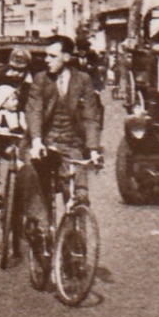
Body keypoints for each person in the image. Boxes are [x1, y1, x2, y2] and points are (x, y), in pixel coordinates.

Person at [21, 36, 103, 243]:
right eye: (46, 55)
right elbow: (34, 109)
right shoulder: (40, 79)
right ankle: (39, 229)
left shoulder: (83, 80)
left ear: (66, 57)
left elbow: (90, 116)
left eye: (52, 56)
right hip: (45, 143)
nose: (47, 60)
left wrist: (93, 149)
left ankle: (77, 245)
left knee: (78, 194)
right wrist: (37, 140)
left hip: (72, 144)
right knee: (32, 173)